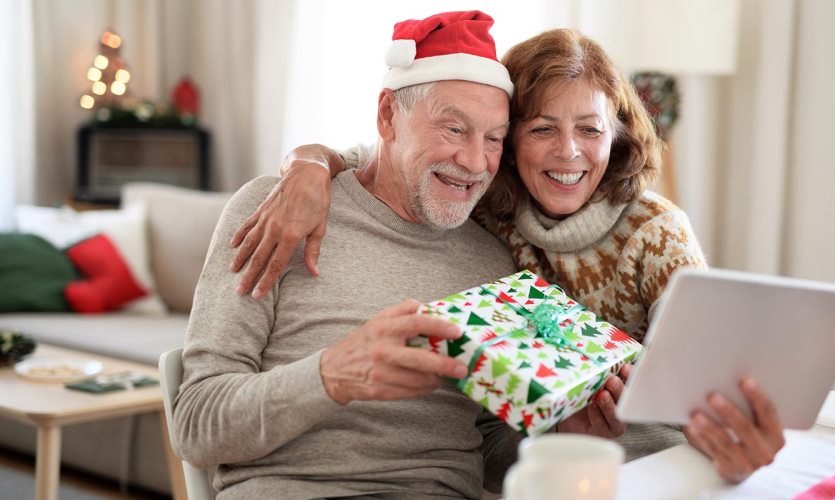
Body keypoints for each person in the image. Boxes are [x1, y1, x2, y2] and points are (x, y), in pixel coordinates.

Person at [229, 27, 785, 482]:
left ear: (614, 136)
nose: (569, 152)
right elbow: (387, 155)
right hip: (558, 471)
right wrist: (309, 161)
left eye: (589, 129)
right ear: (513, 140)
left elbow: (708, 378)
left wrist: (730, 442)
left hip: (661, 463)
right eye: (542, 128)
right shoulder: (486, 214)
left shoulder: (657, 230)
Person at [174, 12, 631, 499]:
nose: (476, 163)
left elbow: (486, 450)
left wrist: (560, 434)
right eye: (454, 130)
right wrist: (332, 374)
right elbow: (197, 425)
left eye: (494, 138)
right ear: (388, 116)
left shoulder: (494, 264)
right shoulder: (280, 211)